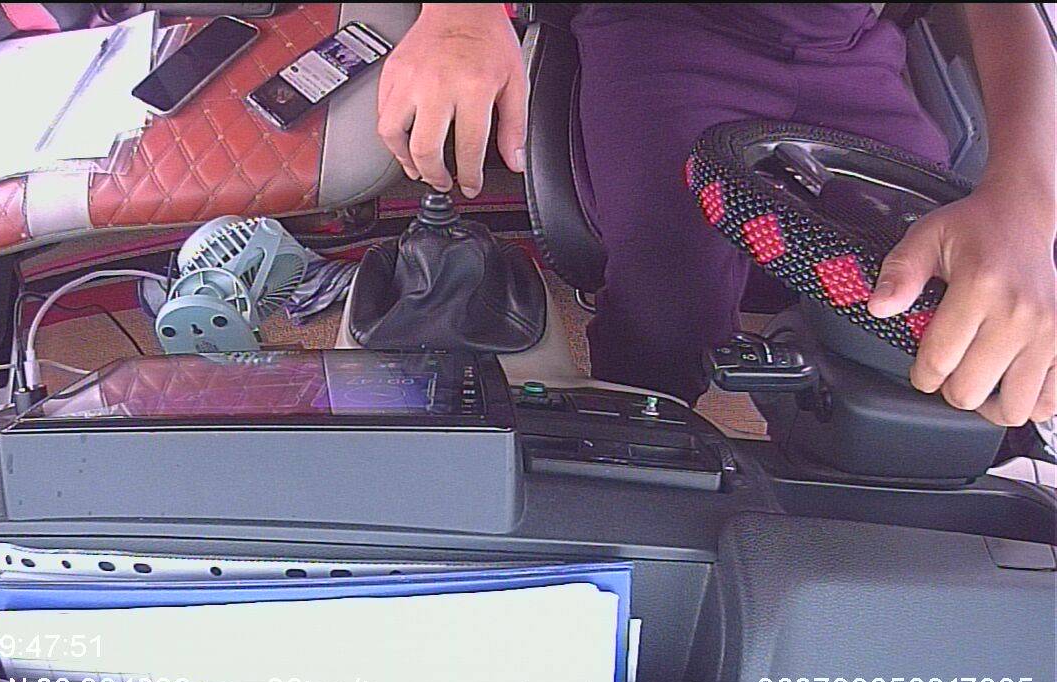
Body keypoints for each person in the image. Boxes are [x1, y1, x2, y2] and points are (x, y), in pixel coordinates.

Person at [376, 3, 1056, 427]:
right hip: (663, 32)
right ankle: (639, 436)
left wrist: (1027, 198)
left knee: (945, 309)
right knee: (671, 304)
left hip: (848, 52)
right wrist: (460, 16)